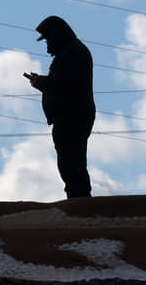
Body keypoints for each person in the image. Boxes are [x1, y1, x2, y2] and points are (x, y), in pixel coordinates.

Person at [24, 15, 95, 198]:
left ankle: (79, 201)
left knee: (71, 161)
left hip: (72, 118)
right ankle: (78, 199)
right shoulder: (72, 52)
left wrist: (40, 82)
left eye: (48, 39)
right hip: (70, 117)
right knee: (70, 161)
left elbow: (62, 83)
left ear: (57, 36)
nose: (47, 44)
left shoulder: (73, 53)